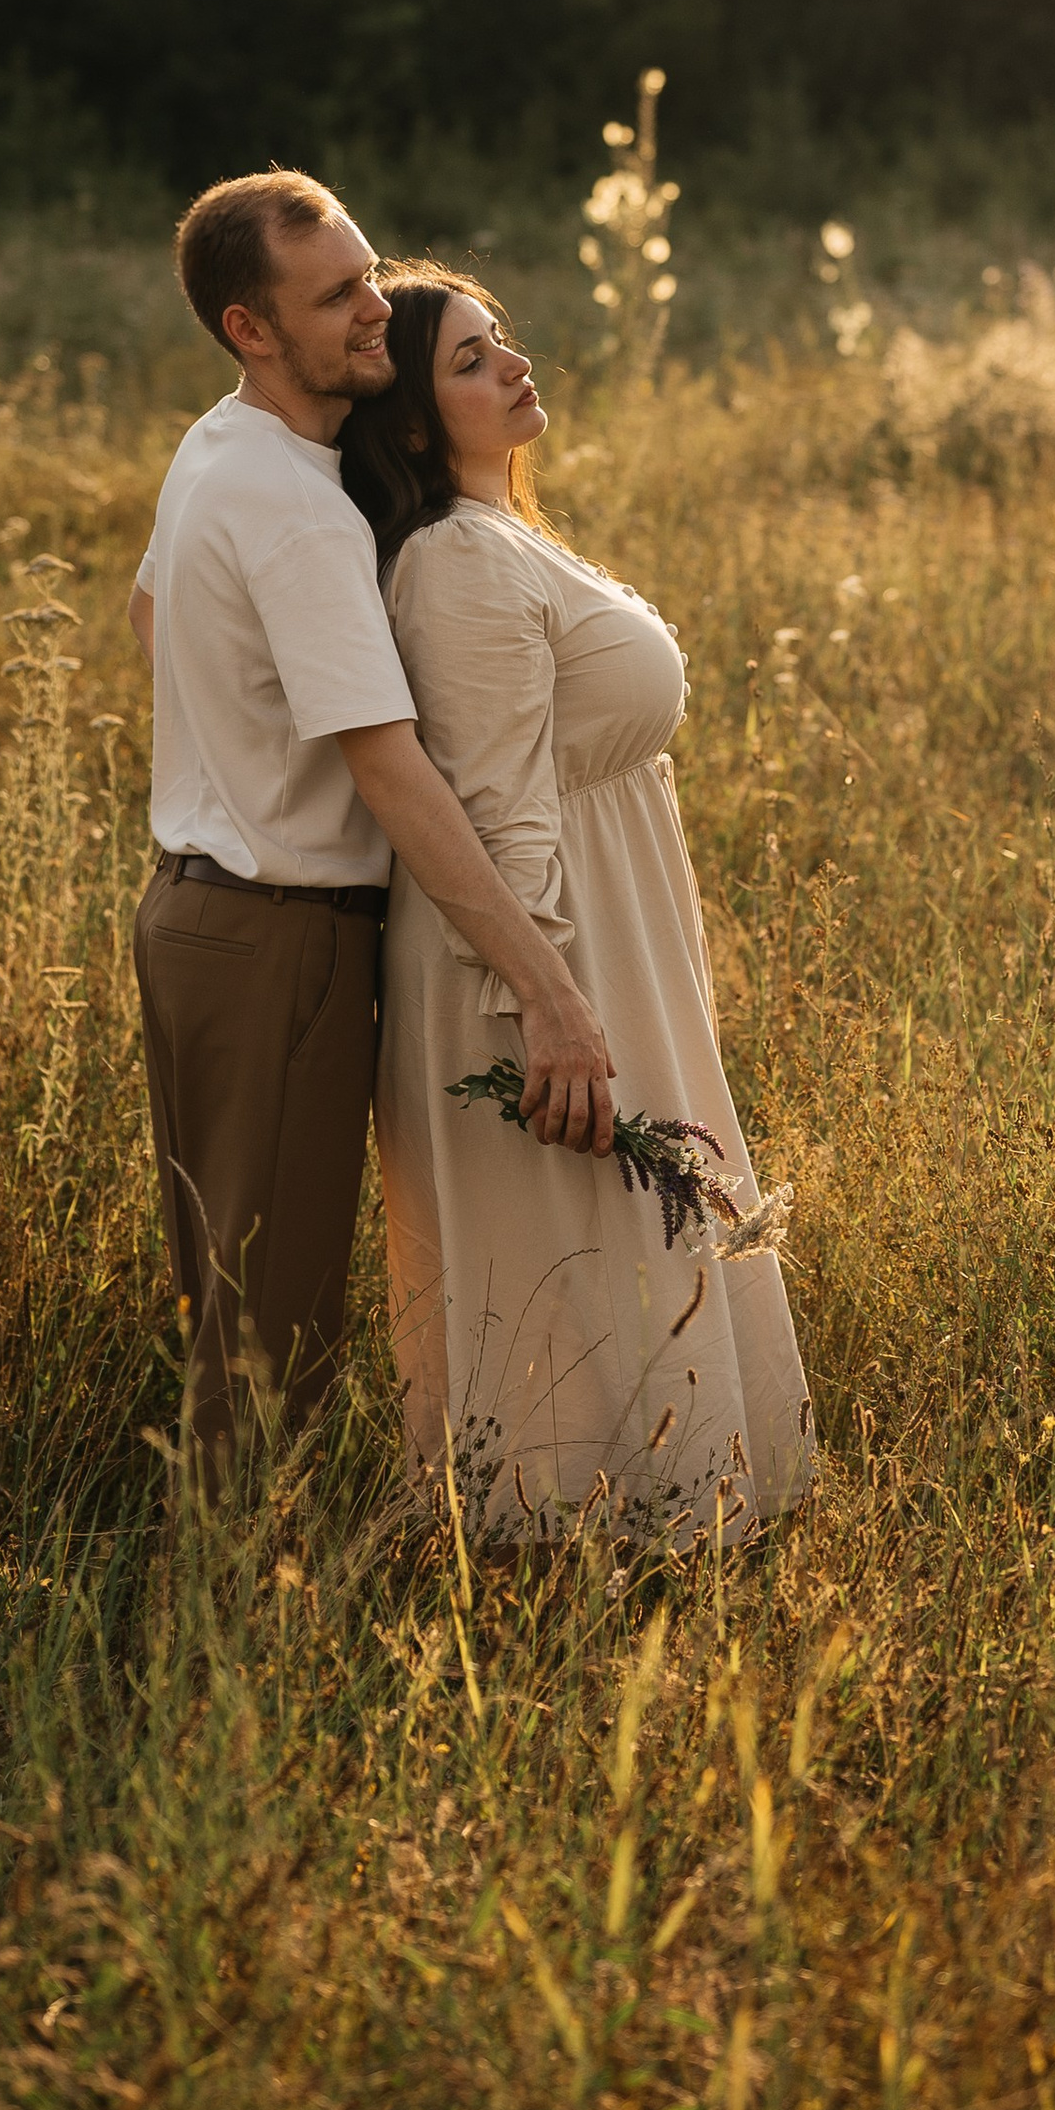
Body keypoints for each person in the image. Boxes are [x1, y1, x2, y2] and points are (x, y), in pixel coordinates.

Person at [128, 175, 614, 1486]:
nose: (374, 312)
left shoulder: (218, 449)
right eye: (336, 296)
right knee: (270, 1334)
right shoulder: (296, 507)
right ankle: (235, 1638)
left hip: (198, 914)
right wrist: (551, 996)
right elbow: (392, 773)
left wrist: (230, 754)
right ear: (250, 328)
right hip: (280, 936)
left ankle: (225, 1602)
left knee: (229, 1302)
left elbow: (152, 617)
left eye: (367, 273)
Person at [341, 265, 817, 1553]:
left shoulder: (500, 536)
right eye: (471, 362)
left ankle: (658, 1514)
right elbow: (499, 808)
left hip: (607, 928)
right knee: (578, 1236)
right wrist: (547, 1009)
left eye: (503, 344)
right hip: (543, 953)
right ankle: (571, 1539)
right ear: (417, 424)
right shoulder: (450, 562)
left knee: (633, 1231)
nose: (513, 366)